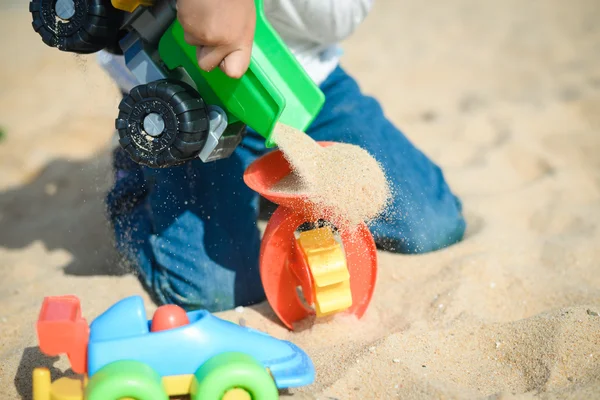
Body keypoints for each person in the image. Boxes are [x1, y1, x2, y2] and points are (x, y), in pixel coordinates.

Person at [104, 0, 466, 312]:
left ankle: (269, 193)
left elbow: (344, 15)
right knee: (218, 291)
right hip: (186, 100)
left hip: (303, 88)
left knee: (431, 226)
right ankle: (135, 178)